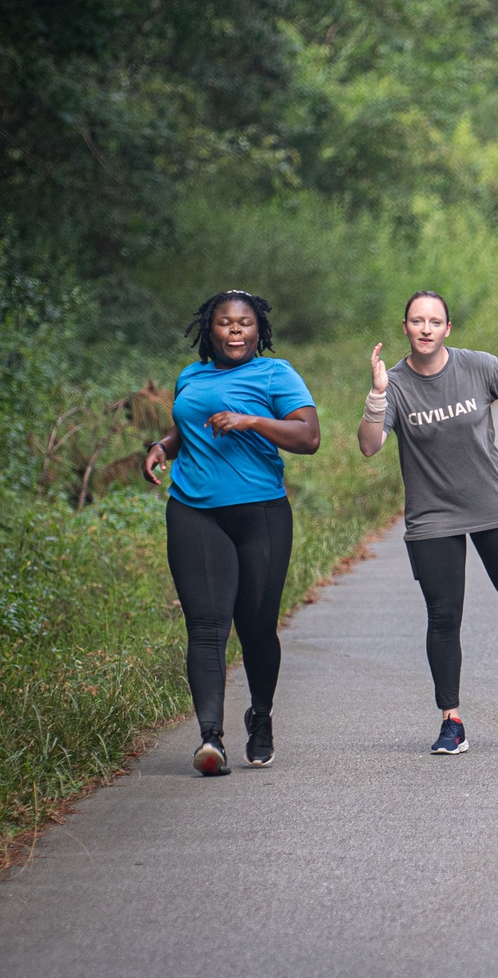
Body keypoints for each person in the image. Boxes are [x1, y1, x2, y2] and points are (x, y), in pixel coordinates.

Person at [142, 291, 321, 776]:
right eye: (225, 323)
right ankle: (210, 739)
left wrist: (252, 421)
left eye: (244, 323)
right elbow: (188, 428)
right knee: (205, 625)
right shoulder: (191, 376)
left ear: (258, 330)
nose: (235, 330)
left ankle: (260, 717)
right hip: (193, 512)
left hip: (260, 513)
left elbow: (309, 437)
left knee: (257, 627)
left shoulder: (275, 374)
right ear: (211, 331)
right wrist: (162, 446)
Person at [358, 291, 498, 757]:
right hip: (431, 517)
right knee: (443, 615)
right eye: (416, 321)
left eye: (434, 321)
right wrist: (377, 396)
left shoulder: (477, 366)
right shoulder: (395, 384)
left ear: (447, 328)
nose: (425, 329)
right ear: (405, 327)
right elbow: (369, 445)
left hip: (491, 504)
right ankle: (451, 721)